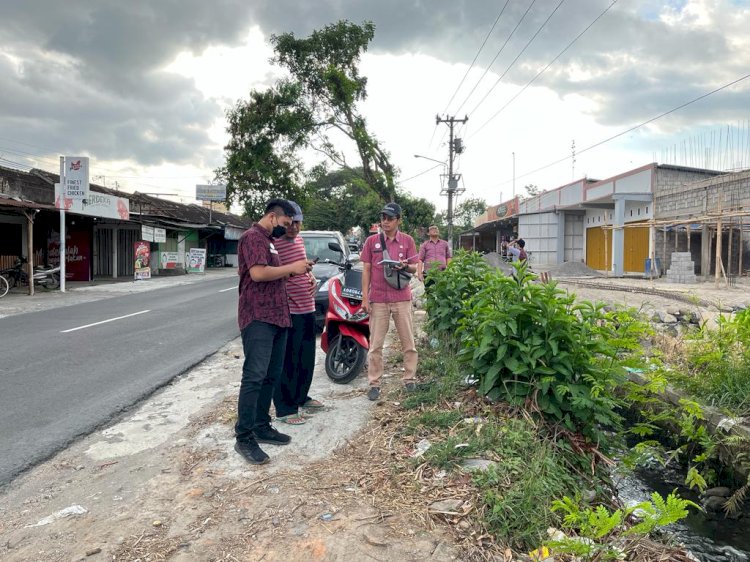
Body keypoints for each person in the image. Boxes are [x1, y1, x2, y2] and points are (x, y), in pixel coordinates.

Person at [235, 198, 312, 465]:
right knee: (254, 376)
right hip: (258, 316)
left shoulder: (269, 241)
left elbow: (272, 272)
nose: (287, 228)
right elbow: (257, 273)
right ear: (271, 217)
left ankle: (261, 425)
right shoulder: (253, 237)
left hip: (279, 316)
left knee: (271, 375)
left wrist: (294, 273)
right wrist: (292, 268)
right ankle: (243, 437)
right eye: (285, 223)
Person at [360, 202, 419, 401]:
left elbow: (414, 268)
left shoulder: (408, 241)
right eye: (383, 218)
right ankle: (374, 383)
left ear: (398, 220)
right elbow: (366, 269)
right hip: (378, 299)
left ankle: (409, 378)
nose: (385, 222)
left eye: (390, 218)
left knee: (408, 342)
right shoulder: (371, 242)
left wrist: (404, 265)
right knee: (376, 345)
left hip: (402, 298)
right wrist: (365, 298)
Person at [272, 201, 324, 425]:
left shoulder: (300, 241)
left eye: (298, 223)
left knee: (306, 358)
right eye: (290, 222)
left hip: (307, 307)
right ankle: (285, 408)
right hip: (289, 310)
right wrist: (293, 272)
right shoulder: (274, 244)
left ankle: (301, 397)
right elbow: (272, 274)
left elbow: (300, 268)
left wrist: (310, 277)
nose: (294, 227)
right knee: (288, 361)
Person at [417, 225, 451, 289]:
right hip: (428, 274)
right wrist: (419, 273)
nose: (435, 229)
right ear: (428, 233)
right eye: (432, 228)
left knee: (442, 293)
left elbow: (448, 257)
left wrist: (450, 270)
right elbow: (420, 259)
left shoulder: (445, 244)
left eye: (436, 228)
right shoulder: (424, 245)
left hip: (442, 273)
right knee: (430, 294)